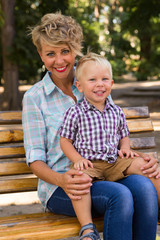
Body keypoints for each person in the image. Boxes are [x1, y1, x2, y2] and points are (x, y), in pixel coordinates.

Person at [22, 12, 159, 240]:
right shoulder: (35, 97)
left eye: (65, 51)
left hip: (107, 171)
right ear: (40, 55)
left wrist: (140, 161)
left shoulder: (94, 80)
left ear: (75, 49)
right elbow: (35, 159)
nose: (59, 60)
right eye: (50, 54)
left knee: (145, 186)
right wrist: (62, 180)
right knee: (120, 196)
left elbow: (115, 130)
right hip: (64, 185)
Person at [60, 52, 160, 239]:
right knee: (79, 181)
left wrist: (125, 148)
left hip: (114, 161)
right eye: (92, 80)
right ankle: (87, 228)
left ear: (112, 84)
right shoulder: (74, 113)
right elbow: (65, 140)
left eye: (105, 79)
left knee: (145, 167)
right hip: (89, 164)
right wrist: (77, 160)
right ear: (79, 86)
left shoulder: (116, 111)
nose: (100, 84)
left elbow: (124, 134)